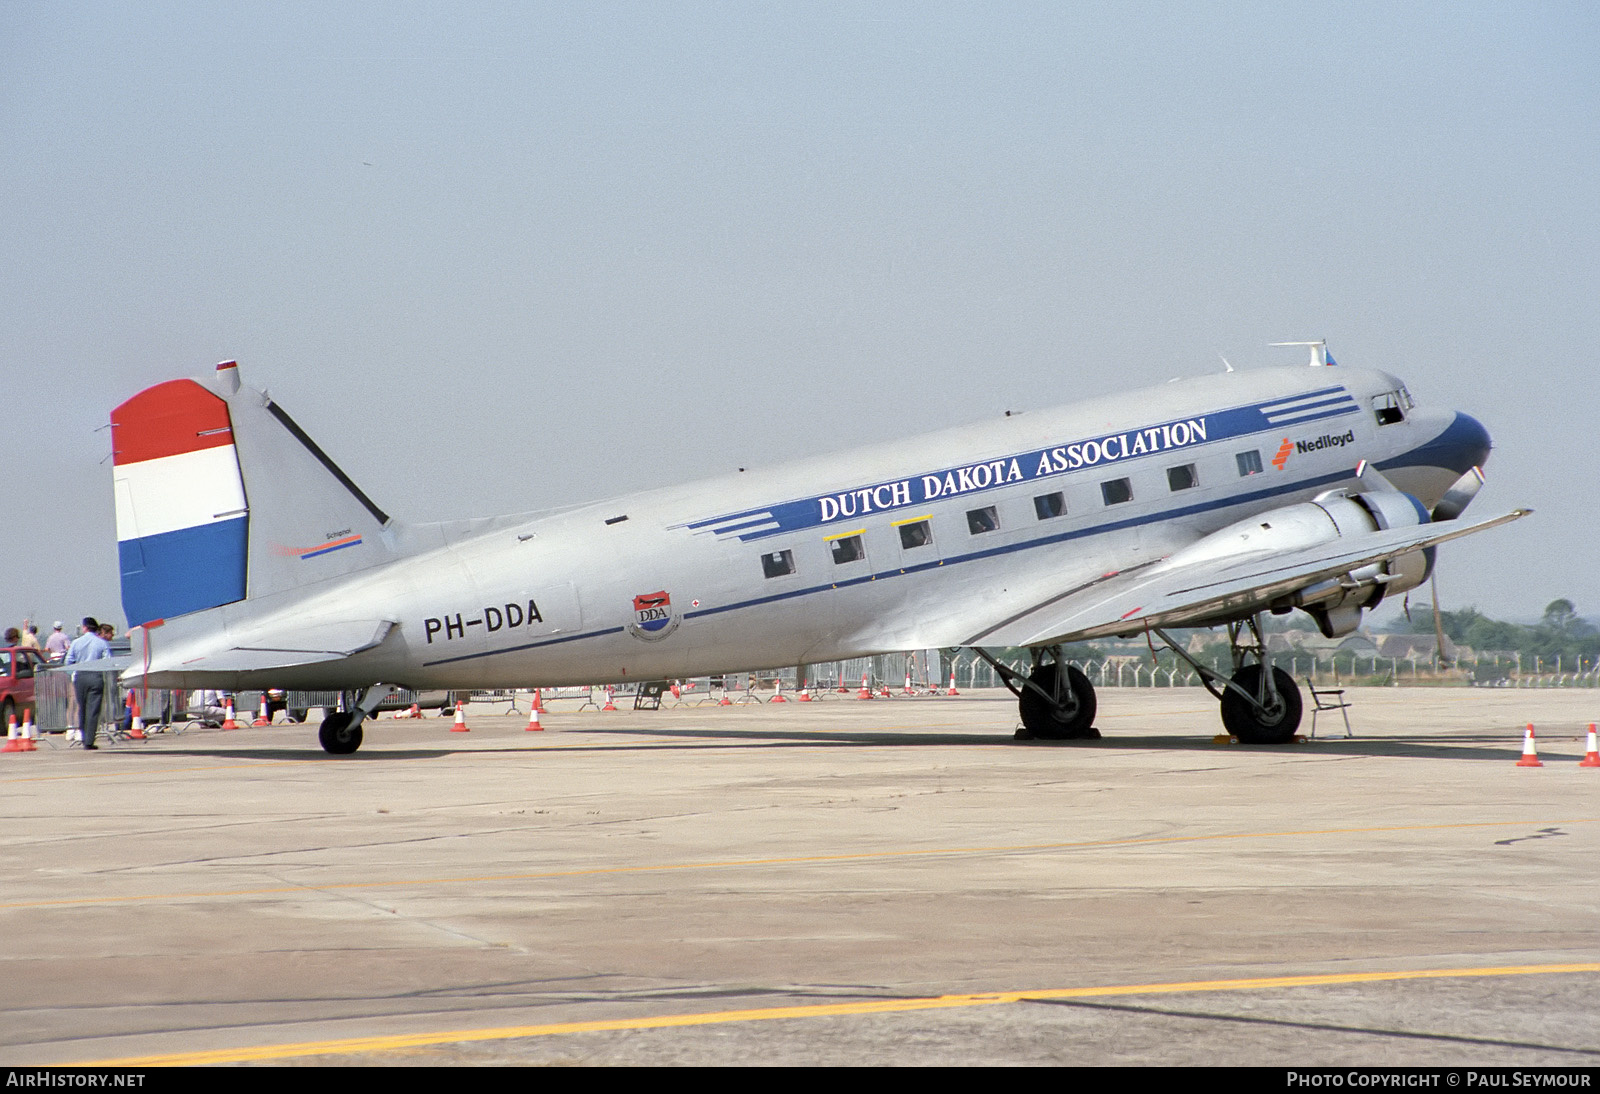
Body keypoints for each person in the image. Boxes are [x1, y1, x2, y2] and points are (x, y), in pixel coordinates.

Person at [64, 618, 111, 749]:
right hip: (96, 676)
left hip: (80, 676)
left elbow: (68, 661)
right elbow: (108, 661)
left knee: (82, 708)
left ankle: (83, 736)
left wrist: (73, 673)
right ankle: (89, 740)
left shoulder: (76, 642)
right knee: (93, 710)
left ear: (84, 628)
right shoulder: (102, 643)